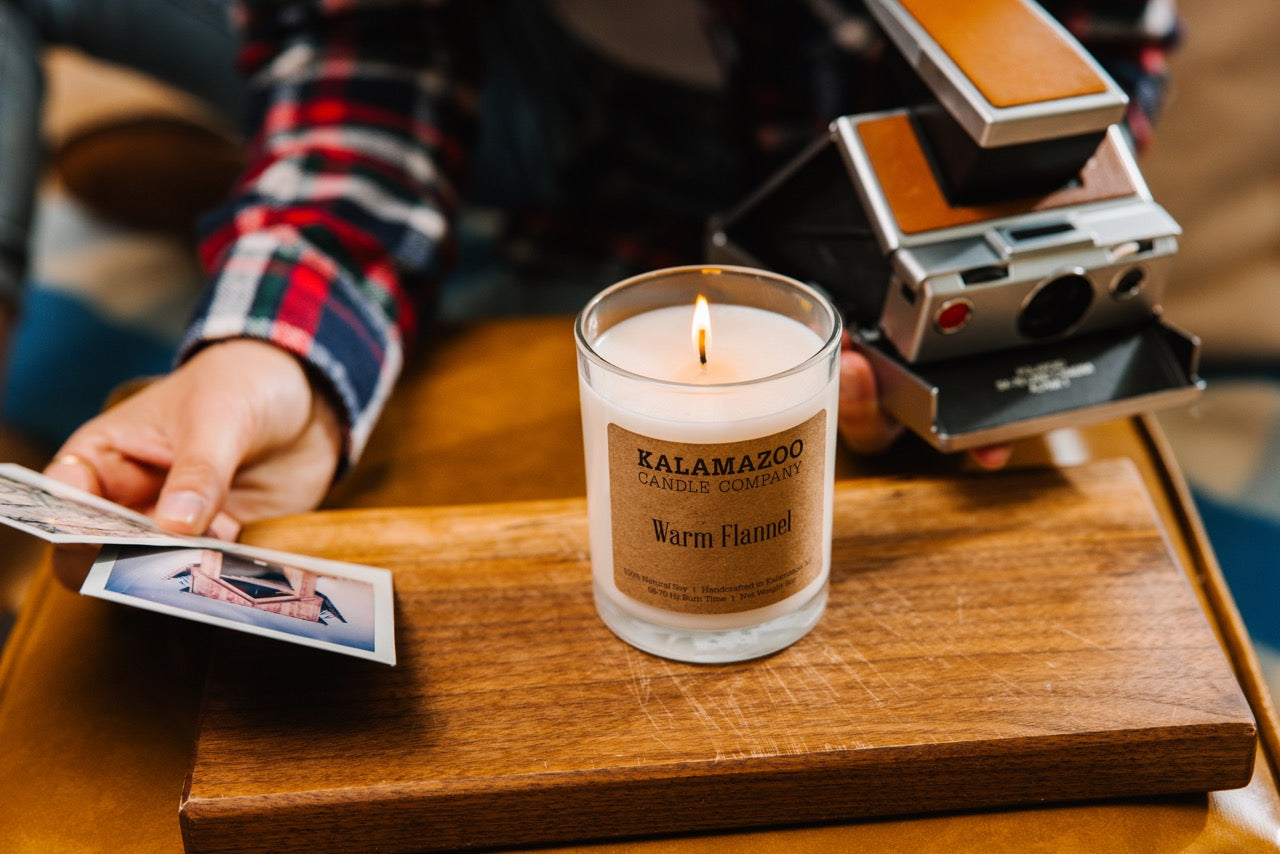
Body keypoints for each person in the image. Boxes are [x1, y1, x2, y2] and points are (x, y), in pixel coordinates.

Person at [14, 1, 1176, 543]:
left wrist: (965, 313)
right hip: (497, 67)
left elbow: (1080, 97)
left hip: (803, 148)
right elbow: (371, 47)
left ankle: (221, 189)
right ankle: (241, 187)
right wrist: (278, 344)